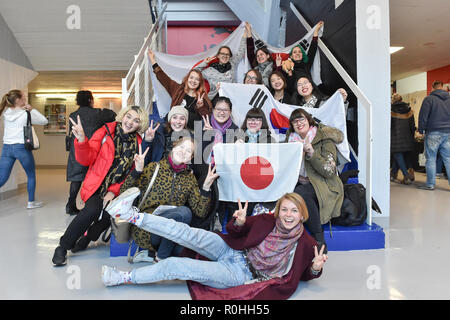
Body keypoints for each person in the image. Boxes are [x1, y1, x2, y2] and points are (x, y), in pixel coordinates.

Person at [101, 191, 327, 300]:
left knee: (177, 265)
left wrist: (315, 266)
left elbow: (306, 275)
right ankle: (130, 215)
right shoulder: (268, 220)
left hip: (238, 272)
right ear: (279, 211)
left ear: (302, 215)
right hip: (233, 249)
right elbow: (237, 230)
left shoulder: (306, 243)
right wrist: (238, 222)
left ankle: (123, 278)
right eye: (285, 209)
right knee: (185, 232)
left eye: (294, 211)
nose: (288, 215)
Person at [52, 105, 148, 266]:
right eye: (128, 116)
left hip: (118, 189)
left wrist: (113, 191)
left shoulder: (138, 143)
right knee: (93, 210)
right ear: (122, 116)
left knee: (111, 214)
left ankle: (88, 238)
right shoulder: (105, 131)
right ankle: (63, 247)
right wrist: (82, 140)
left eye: (136, 120)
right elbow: (87, 159)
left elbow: (130, 175)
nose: (130, 122)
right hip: (97, 186)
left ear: (140, 125)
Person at [119, 136, 219, 262]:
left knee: (186, 252)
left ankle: (153, 255)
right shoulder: (154, 168)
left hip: (170, 233)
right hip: (148, 229)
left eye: (188, 151)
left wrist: (205, 188)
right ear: (174, 146)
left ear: (191, 157)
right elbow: (124, 192)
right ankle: (161, 257)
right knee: (184, 212)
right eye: (181, 147)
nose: (183, 152)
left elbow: (200, 212)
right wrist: (137, 171)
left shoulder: (189, 179)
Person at [285, 108, 344, 253]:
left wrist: (312, 153)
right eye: (294, 121)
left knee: (300, 193)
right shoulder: (291, 140)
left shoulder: (324, 138)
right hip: (299, 180)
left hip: (323, 183)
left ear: (309, 120)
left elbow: (329, 171)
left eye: (301, 119)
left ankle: (319, 238)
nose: (298, 123)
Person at [65, 90, 116, 215]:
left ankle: (70, 205)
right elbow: (113, 115)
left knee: (76, 180)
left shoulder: (73, 115)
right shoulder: (98, 113)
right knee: (94, 179)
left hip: (77, 150)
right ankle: (90, 207)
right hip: (93, 150)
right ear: (90, 100)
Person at [0, 89, 48, 209]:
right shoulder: (26, 113)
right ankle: (31, 203)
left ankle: (32, 202)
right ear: (18, 100)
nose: (25, 99)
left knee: (2, 177)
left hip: (7, 148)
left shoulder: (6, 113)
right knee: (31, 175)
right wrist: (31, 109)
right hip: (21, 147)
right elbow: (44, 121)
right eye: (23, 97)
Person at [148, 49, 211, 130]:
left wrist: (200, 107)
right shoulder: (178, 89)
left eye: (197, 79)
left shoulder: (202, 96)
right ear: (187, 79)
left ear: (200, 83)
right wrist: (152, 59)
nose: (193, 81)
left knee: (189, 115)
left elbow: (206, 118)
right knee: (169, 116)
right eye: (191, 78)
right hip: (175, 124)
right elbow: (163, 77)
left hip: (191, 128)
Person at [417, 80, 450, 190]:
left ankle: (430, 184)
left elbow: (423, 116)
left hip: (433, 132)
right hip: (448, 132)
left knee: (431, 158)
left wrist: (421, 130)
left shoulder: (429, 99)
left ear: (433, 87)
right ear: (442, 87)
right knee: (448, 159)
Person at [195, 32, 247, 101]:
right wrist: (205, 63)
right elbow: (194, 73)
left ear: (229, 57)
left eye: (227, 54)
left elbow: (241, 50)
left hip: (231, 99)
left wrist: (245, 33)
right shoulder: (209, 70)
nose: (225, 56)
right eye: (222, 53)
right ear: (218, 56)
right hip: (214, 100)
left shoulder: (232, 64)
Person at [281, 21, 324, 95]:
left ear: (302, 55)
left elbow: (313, 49)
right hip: (297, 99)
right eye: (294, 52)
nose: (297, 53)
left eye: (299, 52)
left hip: (312, 94)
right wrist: (289, 72)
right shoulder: (287, 68)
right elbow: (288, 88)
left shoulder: (306, 64)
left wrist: (316, 31)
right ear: (291, 56)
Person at [390, 93, 416, 184]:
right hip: (408, 137)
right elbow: (413, 126)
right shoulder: (409, 110)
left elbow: (389, 126)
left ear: (393, 100)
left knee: (398, 155)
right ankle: (393, 174)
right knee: (400, 155)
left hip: (395, 137)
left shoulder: (390, 110)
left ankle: (406, 176)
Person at [244, 22, 274, 87]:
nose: (259, 57)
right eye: (257, 56)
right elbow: (250, 51)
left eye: (261, 54)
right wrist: (249, 32)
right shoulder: (255, 69)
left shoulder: (274, 67)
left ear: (268, 56)